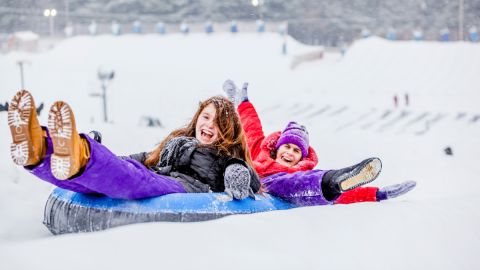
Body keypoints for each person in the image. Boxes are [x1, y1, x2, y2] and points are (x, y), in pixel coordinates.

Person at [8, 90, 261, 200]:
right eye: (206, 117)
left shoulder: (226, 155)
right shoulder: (177, 142)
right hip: (157, 177)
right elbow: (145, 158)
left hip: (180, 190)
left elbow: (250, 177)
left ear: (227, 131)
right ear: (197, 118)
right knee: (111, 174)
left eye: (218, 123)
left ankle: (80, 153)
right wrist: (109, 156)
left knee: (135, 178)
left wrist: (237, 172)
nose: (209, 125)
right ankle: (38, 150)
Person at [223, 80, 416, 206]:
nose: (290, 152)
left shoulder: (299, 175)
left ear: (301, 157)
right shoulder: (260, 151)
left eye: (296, 151)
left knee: (303, 182)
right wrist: (242, 103)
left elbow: (346, 195)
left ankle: (333, 181)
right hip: (245, 181)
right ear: (278, 147)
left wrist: (378, 194)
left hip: (281, 187)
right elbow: (251, 127)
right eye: (287, 147)